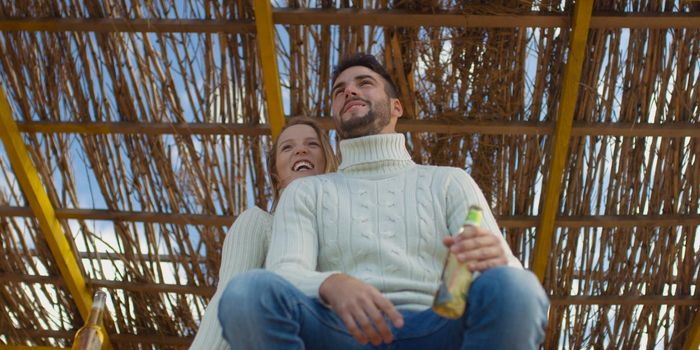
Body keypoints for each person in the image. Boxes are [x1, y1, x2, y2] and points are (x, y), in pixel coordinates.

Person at [218, 53, 549, 349]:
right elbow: (284, 273)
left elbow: (515, 290)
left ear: (396, 107)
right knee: (247, 293)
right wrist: (330, 282)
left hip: (439, 327)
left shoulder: (449, 181)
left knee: (514, 288)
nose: (349, 91)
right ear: (334, 116)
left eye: (364, 83)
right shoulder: (307, 192)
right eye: (339, 90)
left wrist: (496, 261)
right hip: (341, 332)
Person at [189, 116, 338, 350]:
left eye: (312, 144)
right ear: (275, 175)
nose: (300, 150)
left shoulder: (344, 232)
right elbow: (226, 300)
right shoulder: (259, 223)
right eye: (287, 147)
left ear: (328, 162)